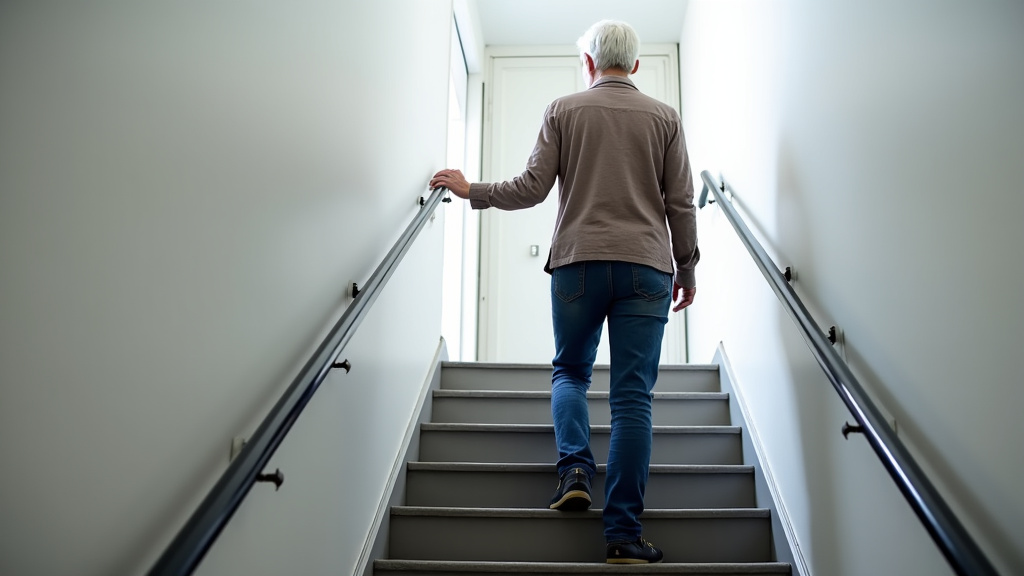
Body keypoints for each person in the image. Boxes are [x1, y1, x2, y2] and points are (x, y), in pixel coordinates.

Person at [429, 19, 698, 565]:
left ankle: (574, 469)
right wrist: (687, 269)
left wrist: (470, 190)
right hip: (647, 268)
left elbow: (530, 188)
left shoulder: (564, 109)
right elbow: (681, 204)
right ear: (637, 66)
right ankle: (622, 535)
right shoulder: (666, 118)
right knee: (631, 401)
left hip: (578, 263)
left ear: (590, 63)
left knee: (571, 372)